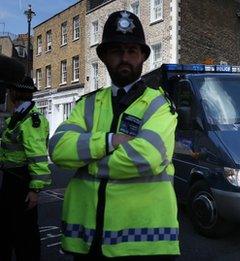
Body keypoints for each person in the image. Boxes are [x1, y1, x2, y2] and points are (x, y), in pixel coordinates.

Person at [48, 11, 179, 260]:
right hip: (88, 242)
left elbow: (145, 157)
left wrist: (86, 159)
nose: (125, 58)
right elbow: (58, 149)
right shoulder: (86, 104)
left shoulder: (159, 105)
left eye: (132, 51)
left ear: (142, 56)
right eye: (117, 51)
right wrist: (109, 141)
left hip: (145, 244)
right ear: (105, 57)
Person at [0, 55, 51, 261]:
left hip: (21, 181)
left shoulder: (32, 120)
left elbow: (38, 157)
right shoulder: (18, 116)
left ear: (15, 92)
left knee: (25, 234)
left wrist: (34, 190)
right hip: (11, 178)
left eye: (11, 89)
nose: (8, 92)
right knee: (9, 229)